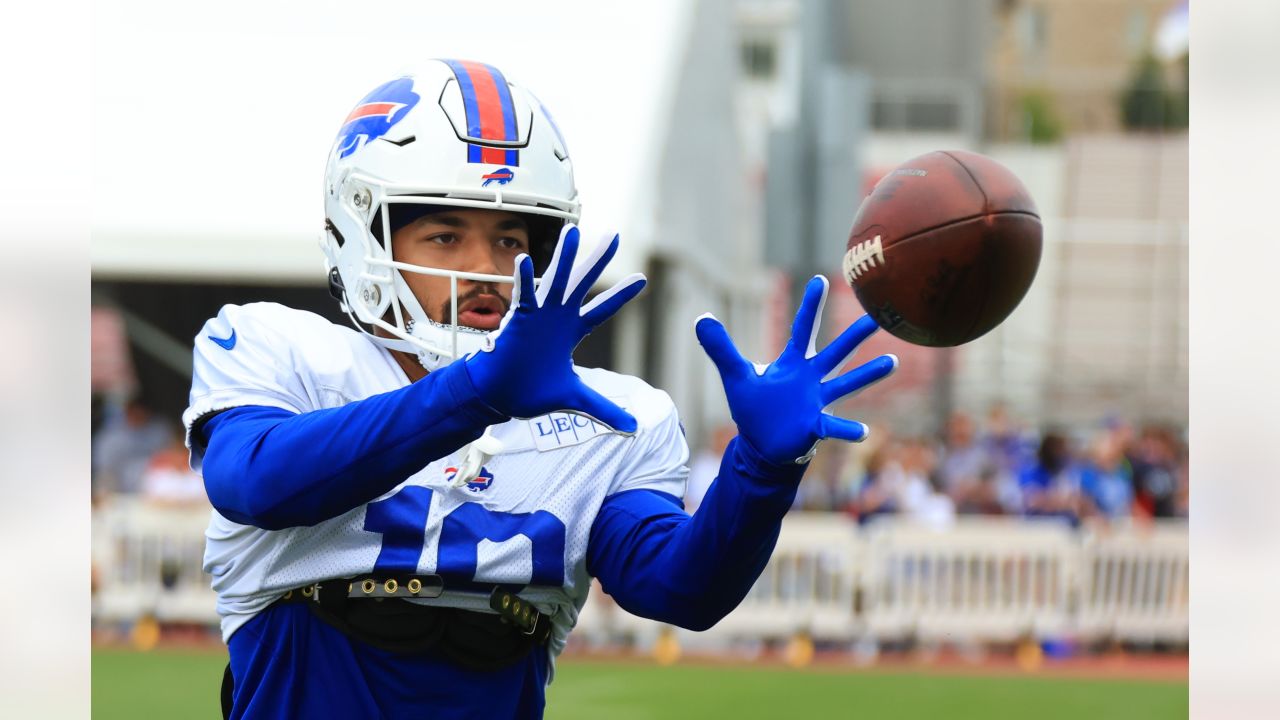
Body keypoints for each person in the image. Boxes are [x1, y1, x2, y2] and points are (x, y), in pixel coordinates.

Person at [185, 60, 899, 720]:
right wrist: (477, 394)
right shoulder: (279, 348)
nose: (488, 269)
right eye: (444, 236)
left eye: (510, 241)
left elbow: (682, 588)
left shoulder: (609, 416)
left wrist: (761, 471)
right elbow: (256, 481)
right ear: (362, 232)